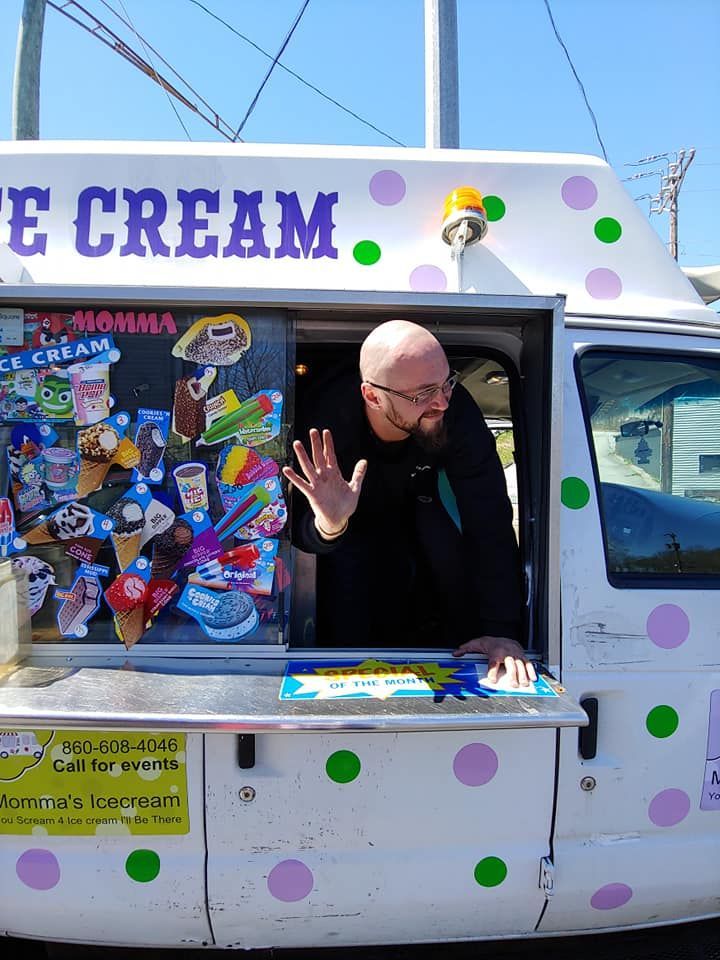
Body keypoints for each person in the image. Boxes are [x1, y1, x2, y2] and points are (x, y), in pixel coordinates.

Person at [282, 319, 536, 687]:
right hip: (347, 532)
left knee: (438, 547)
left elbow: (490, 519)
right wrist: (330, 524)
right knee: (350, 590)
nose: (441, 402)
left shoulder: (455, 409)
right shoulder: (324, 424)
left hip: (418, 500)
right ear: (372, 396)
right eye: (423, 393)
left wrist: (501, 631)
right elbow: (298, 531)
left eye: (447, 383)